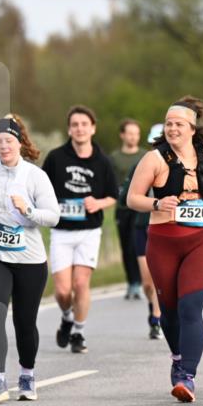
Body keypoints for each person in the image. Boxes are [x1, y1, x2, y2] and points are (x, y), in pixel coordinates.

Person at [126, 97, 203, 404]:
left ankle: (187, 376)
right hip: (163, 239)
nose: (172, 129)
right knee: (169, 314)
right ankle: (177, 356)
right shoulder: (154, 160)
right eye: (168, 124)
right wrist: (158, 203)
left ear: (192, 128)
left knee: (190, 309)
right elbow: (133, 198)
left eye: (179, 124)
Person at [0, 115, 60, 402]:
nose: (4, 146)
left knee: (24, 322)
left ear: (19, 143)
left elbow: (53, 217)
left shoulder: (35, 176)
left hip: (30, 261)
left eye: (9, 141)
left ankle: (27, 375)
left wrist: (28, 211)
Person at [41, 105, 118, 354]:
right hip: (62, 232)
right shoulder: (56, 157)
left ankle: (79, 332)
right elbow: (41, 190)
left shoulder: (102, 161)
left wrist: (98, 203)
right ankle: (66, 316)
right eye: (75, 124)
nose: (80, 128)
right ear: (69, 129)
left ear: (93, 128)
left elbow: (113, 196)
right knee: (63, 290)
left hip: (88, 231)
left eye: (84, 124)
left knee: (81, 283)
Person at [117, 131, 164, 340]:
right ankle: (153, 307)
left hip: (167, 229)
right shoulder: (140, 166)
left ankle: (158, 318)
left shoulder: (180, 167)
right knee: (147, 282)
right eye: (154, 143)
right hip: (142, 227)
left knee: (162, 279)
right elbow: (124, 197)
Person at [109, 119, 145, 300]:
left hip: (140, 208)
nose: (133, 137)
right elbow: (111, 182)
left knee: (136, 244)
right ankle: (131, 282)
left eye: (136, 133)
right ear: (122, 135)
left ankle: (139, 282)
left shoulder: (145, 156)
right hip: (122, 208)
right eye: (130, 133)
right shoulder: (114, 158)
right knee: (126, 247)